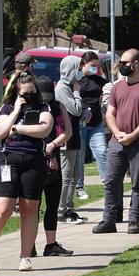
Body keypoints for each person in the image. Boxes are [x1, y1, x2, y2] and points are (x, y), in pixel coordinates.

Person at [0, 73, 53, 272]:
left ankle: (25, 256)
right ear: (16, 93)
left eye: (31, 93)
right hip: (8, 160)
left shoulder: (43, 108)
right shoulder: (7, 108)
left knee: (30, 210)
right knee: (3, 209)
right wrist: (16, 111)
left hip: (33, 161)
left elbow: (44, 129)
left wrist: (18, 128)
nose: (28, 97)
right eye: (24, 94)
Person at [93, 49, 139, 234]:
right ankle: (109, 220)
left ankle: (134, 219)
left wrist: (132, 136)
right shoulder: (117, 87)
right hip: (117, 141)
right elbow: (110, 114)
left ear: (137, 64)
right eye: (121, 62)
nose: (121, 66)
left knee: (138, 183)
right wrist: (118, 133)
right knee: (111, 182)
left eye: (125, 63)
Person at [36, 76, 74, 255]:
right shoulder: (35, 108)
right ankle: (29, 245)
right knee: (33, 206)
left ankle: (50, 245)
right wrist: (48, 151)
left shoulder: (59, 106)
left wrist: (54, 145)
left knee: (52, 204)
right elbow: (38, 134)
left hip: (55, 158)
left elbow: (68, 131)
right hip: (37, 160)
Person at [55, 56, 89, 222]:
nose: (81, 72)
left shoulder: (69, 86)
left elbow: (78, 112)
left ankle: (69, 207)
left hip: (75, 135)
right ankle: (60, 211)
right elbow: (75, 109)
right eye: (79, 68)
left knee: (75, 176)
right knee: (66, 177)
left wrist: (86, 112)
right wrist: (77, 91)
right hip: (65, 138)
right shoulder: (62, 88)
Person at [77, 51, 108, 187]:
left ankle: (108, 181)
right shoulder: (76, 80)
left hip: (96, 123)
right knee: (80, 155)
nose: (95, 68)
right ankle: (79, 185)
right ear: (83, 64)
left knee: (101, 150)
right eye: (92, 65)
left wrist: (100, 71)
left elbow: (107, 88)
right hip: (80, 123)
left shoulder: (99, 80)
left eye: (97, 65)